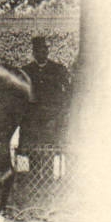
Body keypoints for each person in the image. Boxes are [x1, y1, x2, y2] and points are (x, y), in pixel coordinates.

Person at [19, 36, 73, 172]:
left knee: (49, 150)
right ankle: (34, 177)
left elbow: (67, 93)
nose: (41, 54)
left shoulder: (58, 69)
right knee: (34, 151)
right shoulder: (26, 71)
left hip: (52, 118)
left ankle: (48, 178)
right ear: (33, 53)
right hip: (33, 120)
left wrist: (59, 113)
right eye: (38, 51)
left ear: (47, 52)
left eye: (44, 50)